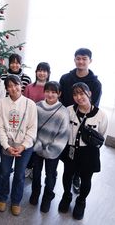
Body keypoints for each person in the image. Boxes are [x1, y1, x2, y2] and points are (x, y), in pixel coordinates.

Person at [58, 82, 108, 220]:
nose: (79, 97)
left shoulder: (101, 115)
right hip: (71, 149)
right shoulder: (68, 110)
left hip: (89, 152)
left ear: (89, 93)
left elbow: (102, 134)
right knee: (67, 174)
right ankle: (67, 195)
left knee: (86, 179)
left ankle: (81, 201)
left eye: (81, 93)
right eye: (75, 94)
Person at [59, 48, 102, 195]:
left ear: (90, 60)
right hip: (67, 122)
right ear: (74, 59)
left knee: (83, 163)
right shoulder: (65, 78)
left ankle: (77, 180)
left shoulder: (95, 84)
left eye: (84, 58)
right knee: (68, 161)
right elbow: (61, 100)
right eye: (78, 58)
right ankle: (67, 188)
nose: (81, 61)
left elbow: (94, 107)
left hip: (84, 125)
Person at [0, 75, 37, 216]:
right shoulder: (1, 103)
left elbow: (32, 128)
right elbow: (0, 127)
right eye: (10, 86)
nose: (14, 88)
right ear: (6, 88)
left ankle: (15, 201)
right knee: (4, 172)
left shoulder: (30, 104)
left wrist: (23, 145)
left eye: (16, 85)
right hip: (7, 144)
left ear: (21, 85)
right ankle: (2, 197)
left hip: (24, 147)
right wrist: (6, 146)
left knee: (19, 175)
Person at [29, 81, 69, 213]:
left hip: (53, 151)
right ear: (44, 92)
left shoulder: (63, 111)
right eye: (48, 91)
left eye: (54, 92)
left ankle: (47, 198)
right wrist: (37, 145)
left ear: (59, 94)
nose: (50, 94)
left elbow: (63, 135)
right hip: (36, 147)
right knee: (36, 173)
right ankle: (35, 194)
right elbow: (31, 127)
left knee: (50, 175)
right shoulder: (37, 106)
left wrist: (50, 151)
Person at [23, 62, 51, 179]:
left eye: (44, 71)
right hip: (30, 122)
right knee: (29, 145)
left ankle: (36, 168)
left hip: (45, 123)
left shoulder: (51, 88)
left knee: (40, 147)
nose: (42, 73)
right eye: (39, 70)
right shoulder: (29, 87)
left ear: (48, 73)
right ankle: (28, 166)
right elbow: (23, 104)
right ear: (36, 72)